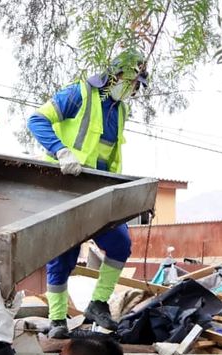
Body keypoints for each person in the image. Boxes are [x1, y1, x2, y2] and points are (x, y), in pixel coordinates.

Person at [27, 50, 148, 338]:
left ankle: (98, 303)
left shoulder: (120, 111)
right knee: (62, 256)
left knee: (120, 243)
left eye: (138, 86)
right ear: (117, 75)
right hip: (66, 190)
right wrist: (61, 151)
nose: (133, 90)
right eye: (132, 82)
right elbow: (36, 120)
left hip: (100, 193)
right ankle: (57, 320)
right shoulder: (78, 94)